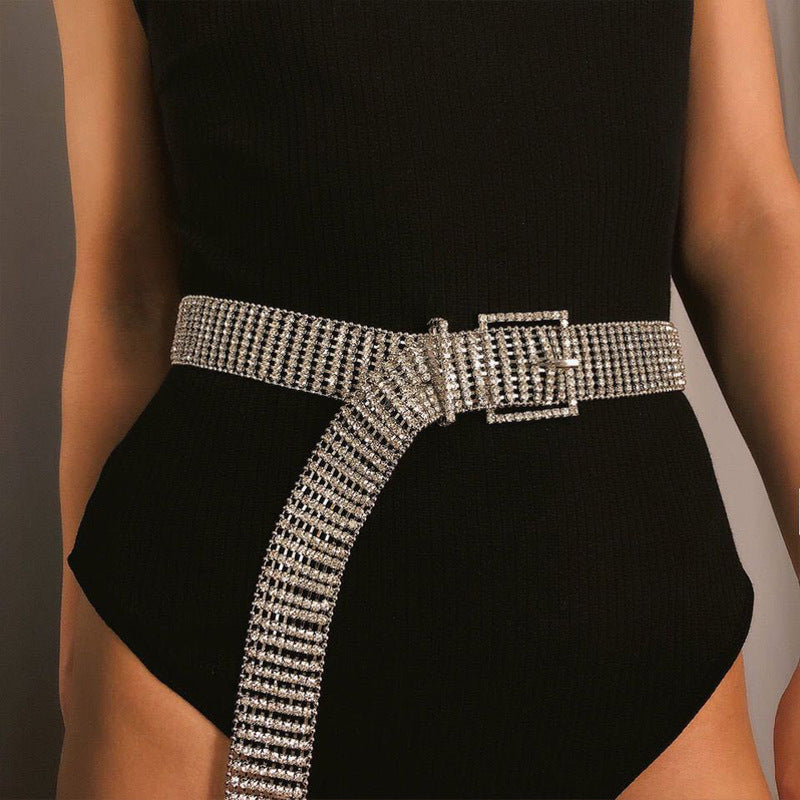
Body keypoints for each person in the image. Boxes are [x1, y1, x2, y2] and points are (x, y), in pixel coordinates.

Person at [53, 1, 799, 798]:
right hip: (210, 636)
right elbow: (128, 291)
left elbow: (748, 222)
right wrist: (78, 641)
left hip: (632, 613)